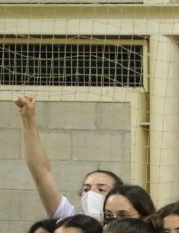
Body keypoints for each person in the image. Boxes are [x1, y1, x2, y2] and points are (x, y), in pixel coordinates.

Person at [14, 92, 124, 224]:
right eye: (86, 189)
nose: (91, 194)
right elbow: (41, 173)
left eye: (101, 189)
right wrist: (28, 120)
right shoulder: (70, 221)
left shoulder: (130, 232)